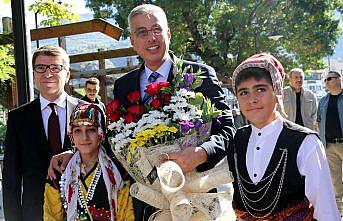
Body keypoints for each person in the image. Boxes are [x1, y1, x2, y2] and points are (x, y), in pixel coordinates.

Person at [49, 4, 234, 221]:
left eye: (157, 29)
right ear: (133, 42)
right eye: (142, 32)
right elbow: (115, 141)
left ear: (169, 33)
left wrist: (200, 153)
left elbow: (228, 130)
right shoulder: (123, 86)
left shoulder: (199, 75)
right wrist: (77, 153)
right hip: (148, 204)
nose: (151, 38)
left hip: (197, 198)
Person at [225, 53, 339, 220]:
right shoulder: (236, 140)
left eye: (260, 89)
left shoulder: (305, 142)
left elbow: (326, 209)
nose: (252, 99)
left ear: (277, 93)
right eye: (243, 92)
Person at [2, 45, 84, 221]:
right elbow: (11, 180)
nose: (48, 74)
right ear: (33, 75)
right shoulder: (18, 119)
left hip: (84, 211)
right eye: (40, 68)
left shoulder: (87, 110)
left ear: (67, 75)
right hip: (36, 214)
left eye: (55, 67)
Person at [43, 103, 133, 221]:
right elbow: (51, 217)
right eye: (78, 131)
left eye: (91, 130)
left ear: (101, 134)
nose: (84, 137)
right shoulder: (60, 171)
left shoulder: (118, 171)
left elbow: (126, 216)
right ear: (71, 135)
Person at [317, 70, 343, 214]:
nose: (326, 82)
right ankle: (339, 212)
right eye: (325, 80)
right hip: (330, 146)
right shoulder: (323, 101)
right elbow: (319, 121)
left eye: (329, 79)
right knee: (335, 181)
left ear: (339, 79)